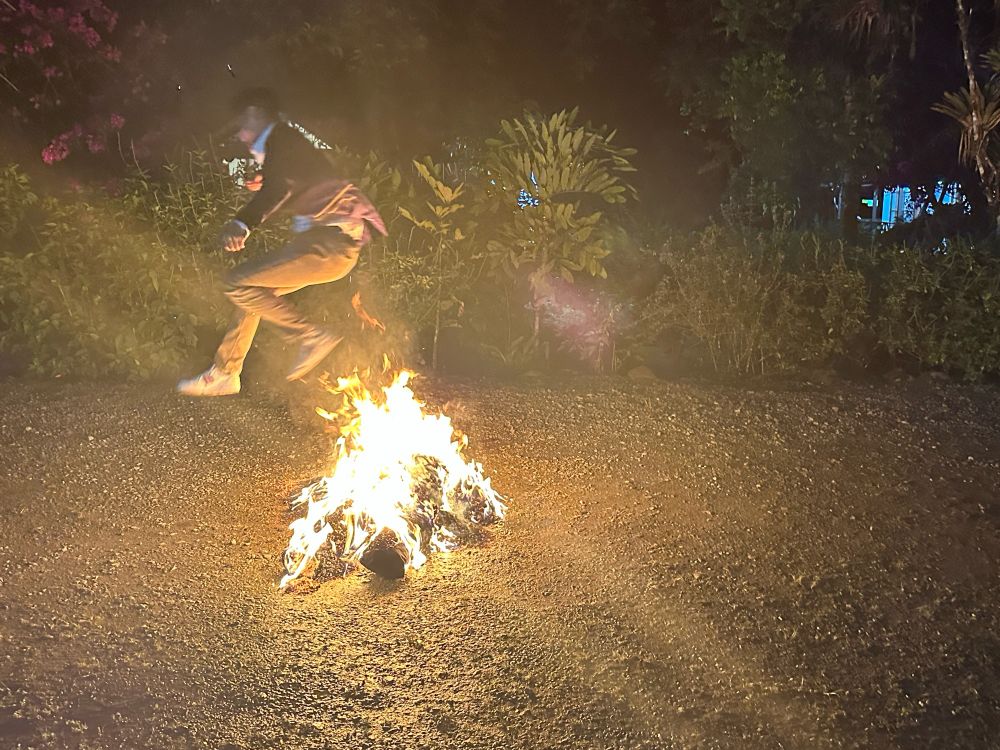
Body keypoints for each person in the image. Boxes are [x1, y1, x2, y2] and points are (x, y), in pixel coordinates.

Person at [177, 87, 386, 396]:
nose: (241, 135)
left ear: (256, 113)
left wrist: (242, 223)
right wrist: (266, 183)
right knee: (253, 294)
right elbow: (294, 182)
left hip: (329, 246)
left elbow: (282, 186)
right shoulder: (286, 145)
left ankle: (310, 336)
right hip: (329, 247)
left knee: (236, 283)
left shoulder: (282, 137)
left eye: (242, 124)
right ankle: (225, 373)